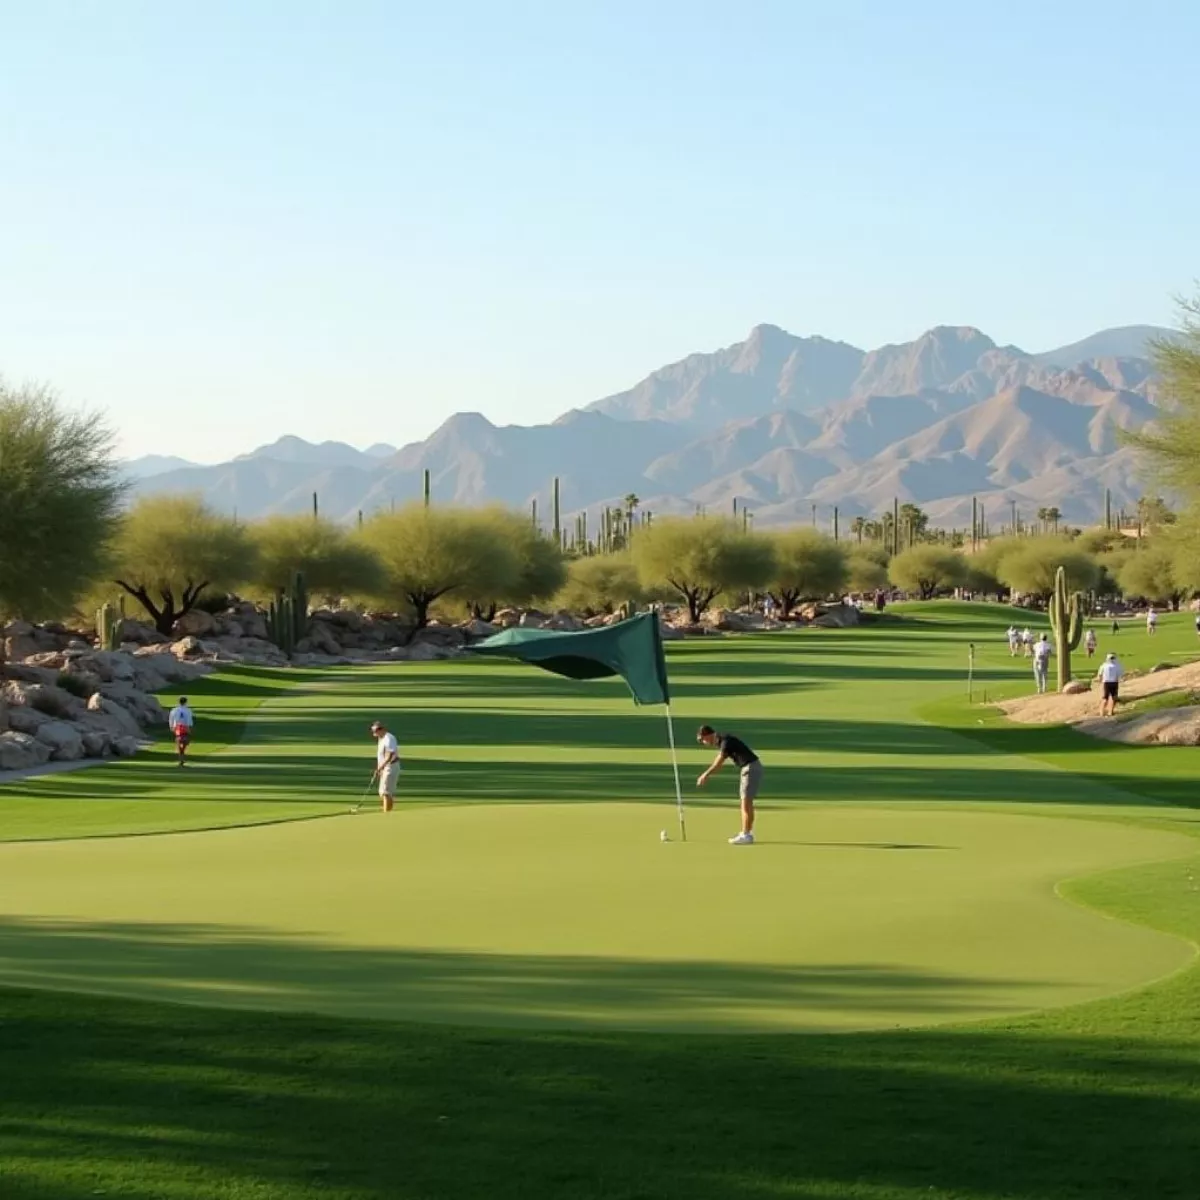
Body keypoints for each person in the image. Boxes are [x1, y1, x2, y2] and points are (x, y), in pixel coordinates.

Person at [696, 724, 762, 846]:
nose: (703, 743)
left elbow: (718, 763)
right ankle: (747, 833)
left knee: (745, 803)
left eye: (702, 740)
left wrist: (705, 775)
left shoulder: (725, 742)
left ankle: (746, 834)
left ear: (708, 735)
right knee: (747, 802)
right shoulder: (722, 740)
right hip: (751, 767)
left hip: (750, 768)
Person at [369, 720, 401, 813]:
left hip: (391, 766)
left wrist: (380, 768)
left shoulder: (389, 738)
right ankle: (389, 811)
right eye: (373, 730)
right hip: (386, 767)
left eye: (376, 730)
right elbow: (381, 756)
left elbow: (389, 756)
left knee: (385, 792)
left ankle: (386, 813)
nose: (374, 733)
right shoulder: (381, 738)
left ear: (382, 729)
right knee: (383, 792)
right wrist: (379, 769)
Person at [167, 696, 194, 768]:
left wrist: (171, 727)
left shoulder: (174, 710)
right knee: (185, 743)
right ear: (185, 702)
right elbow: (189, 720)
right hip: (185, 727)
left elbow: (171, 719)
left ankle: (181, 758)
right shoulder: (188, 710)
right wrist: (189, 728)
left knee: (179, 742)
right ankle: (181, 758)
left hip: (177, 728)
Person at [1097, 652, 1123, 717]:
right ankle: (1102, 712)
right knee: (1106, 698)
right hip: (1109, 683)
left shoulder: (1104, 665)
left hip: (1111, 683)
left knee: (1112, 698)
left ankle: (1109, 712)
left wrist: (1100, 680)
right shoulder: (1116, 665)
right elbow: (1120, 675)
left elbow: (1099, 675)